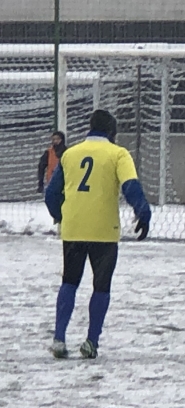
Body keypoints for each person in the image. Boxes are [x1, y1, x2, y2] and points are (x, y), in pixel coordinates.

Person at [44, 110, 151, 359]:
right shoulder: (118, 154)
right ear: (112, 132)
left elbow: (51, 194)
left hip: (74, 228)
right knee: (101, 286)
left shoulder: (70, 154)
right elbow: (130, 186)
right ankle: (91, 341)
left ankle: (59, 338)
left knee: (69, 281)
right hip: (104, 230)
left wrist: (61, 215)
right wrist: (143, 213)